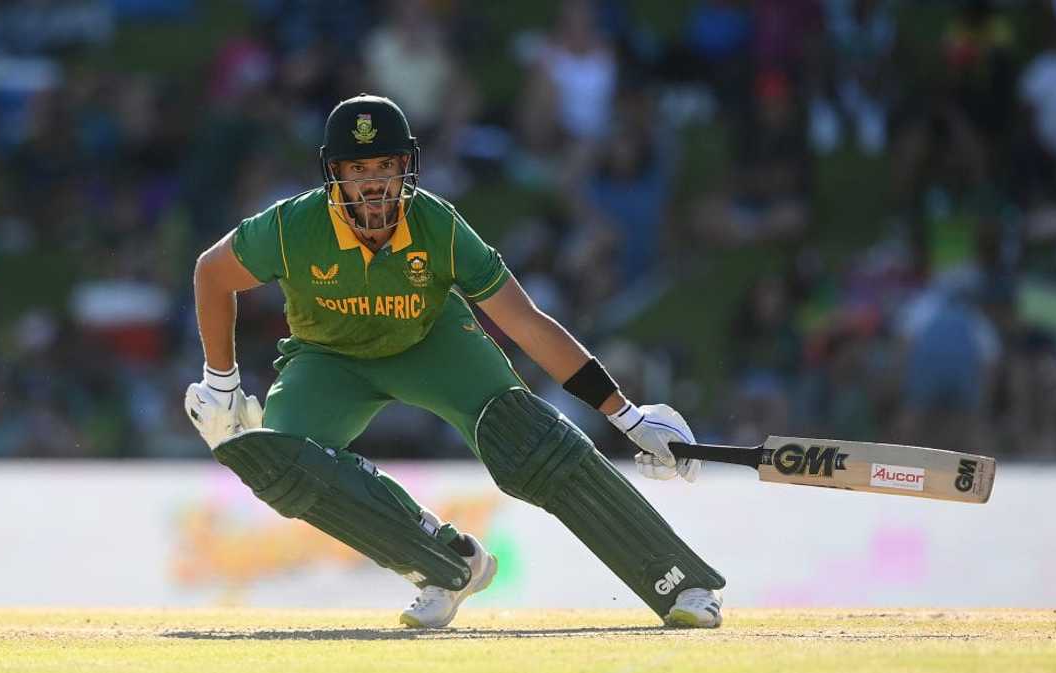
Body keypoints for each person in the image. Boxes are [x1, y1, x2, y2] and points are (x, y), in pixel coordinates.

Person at [185, 94, 725, 629]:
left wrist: (625, 414)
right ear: (334, 175)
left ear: (406, 168)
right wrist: (221, 382)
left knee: (530, 442)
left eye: (385, 166)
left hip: (432, 343)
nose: (372, 183)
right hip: (329, 358)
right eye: (358, 169)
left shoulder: (438, 226)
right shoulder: (291, 226)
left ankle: (685, 584)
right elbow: (213, 272)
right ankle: (448, 563)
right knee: (281, 461)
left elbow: (526, 322)